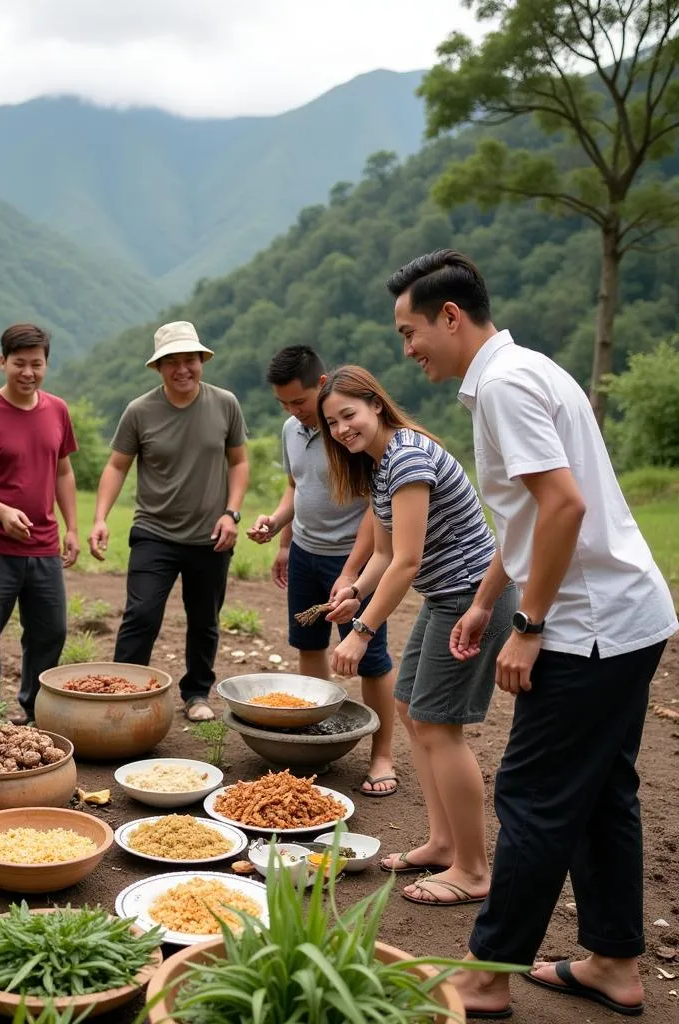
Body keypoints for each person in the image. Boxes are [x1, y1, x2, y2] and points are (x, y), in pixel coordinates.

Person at [387, 250, 678, 1019]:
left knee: (534, 795)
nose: (407, 348)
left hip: (588, 629)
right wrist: (488, 600)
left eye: (411, 330)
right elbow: (524, 521)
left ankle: (485, 979)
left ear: (451, 317)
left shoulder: (505, 386)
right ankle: (614, 961)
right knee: (602, 791)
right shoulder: (527, 370)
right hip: (630, 617)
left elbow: (564, 507)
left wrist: (528, 624)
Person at [319, 365, 516, 909]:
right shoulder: (381, 464)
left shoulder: (406, 457)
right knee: (410, 708)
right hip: (445, 595)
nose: (341, 430)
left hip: (475, 598)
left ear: (376, 404)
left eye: (349, 415)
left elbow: (406, 562)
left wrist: (360, 633)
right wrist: (354, 590)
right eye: (331, 422)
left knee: (437, 725)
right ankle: (443, 840)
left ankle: (474, 869)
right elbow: (382, 556)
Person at [248, 345, 398, 796]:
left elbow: (377, 504)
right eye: (283, 405)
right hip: (305, 554)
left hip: (355, 562)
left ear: (321, 385)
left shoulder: (351, 431)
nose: (293, 412)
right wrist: (280, 533)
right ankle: (315, 743)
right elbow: (297, 486)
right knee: (308, 647)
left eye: (298, 401)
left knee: (371, 658)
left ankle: (383, 754)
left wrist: (351, 572)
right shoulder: (292, 430)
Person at [88, 321, 249, 722]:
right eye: (172, 361)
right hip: (154, 532)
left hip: (210, 534)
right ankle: (123, 693)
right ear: (158, 367)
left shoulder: (225, 403)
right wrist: (100, 518)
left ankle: (196, 694)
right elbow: (116, 466)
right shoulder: (140, 411)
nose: (183, 369)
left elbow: (240, 461)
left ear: (202, 361)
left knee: (204, 620)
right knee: (141, 614)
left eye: (190, 359)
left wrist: (232, 513)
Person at [0, 323, 79, 725]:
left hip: (44, 546)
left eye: (36, 364)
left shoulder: (57, 409)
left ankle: (34, 710)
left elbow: (63, 472)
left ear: (46, 364)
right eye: (19, 363)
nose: (28, 372)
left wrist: (72, 526)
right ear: (3, 362)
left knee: (51, 632)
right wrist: (1, 512)